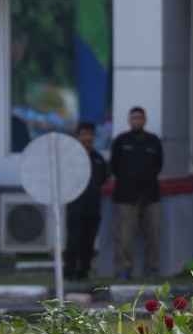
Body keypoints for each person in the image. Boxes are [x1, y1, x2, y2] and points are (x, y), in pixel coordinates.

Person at [110, 106, 164, 279]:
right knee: (125, 236)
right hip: (126, 196)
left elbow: (158, 165)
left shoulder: (153, 141)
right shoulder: (121, 141)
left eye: (139, 118)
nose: (136, 121)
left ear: (145, 120)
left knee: (153, 235)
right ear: (129, 120)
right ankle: (124, 270)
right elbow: (114, 166)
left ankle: (152, 270)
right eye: (133, 118)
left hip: (150, 195)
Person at [63, 122, 109, 281]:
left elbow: (103, 179)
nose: (87, 138)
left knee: (88, 244)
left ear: (94, 137)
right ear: (78, 136)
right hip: (75, 208)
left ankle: (83, 273)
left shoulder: (98, 159)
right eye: (84, 134)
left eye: (90, 134)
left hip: (93, 209)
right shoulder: (71, 158)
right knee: (73, 243)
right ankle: (68, 273)